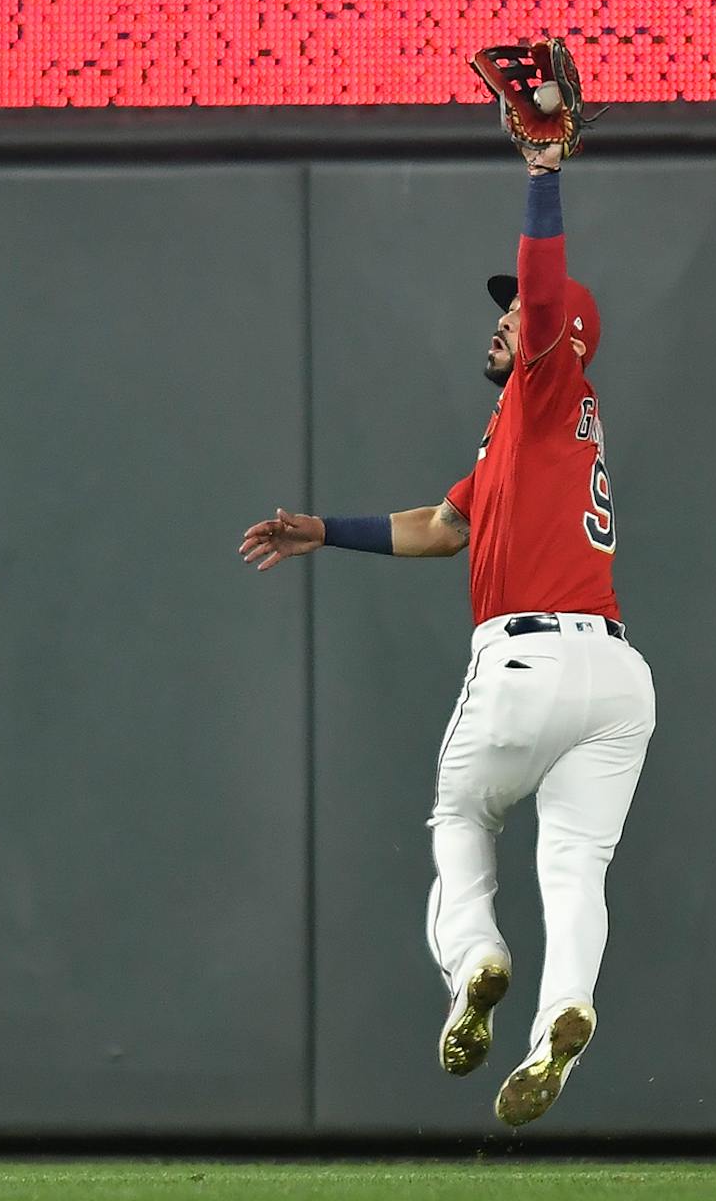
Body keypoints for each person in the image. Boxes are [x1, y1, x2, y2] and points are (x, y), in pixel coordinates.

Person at [238, 94, 656, 1127]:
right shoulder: (527, 433)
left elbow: (550, 286)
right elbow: (442, 524)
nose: (507, 314)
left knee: (461, 815)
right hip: (617, 680)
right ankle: (566, 1013)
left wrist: (545, 169)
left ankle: (476, 964)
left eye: (520, 310)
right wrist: (324, 528)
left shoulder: (549, 383)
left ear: (559, 335)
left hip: (529, 662)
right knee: (573, 862)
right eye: (507, 308)